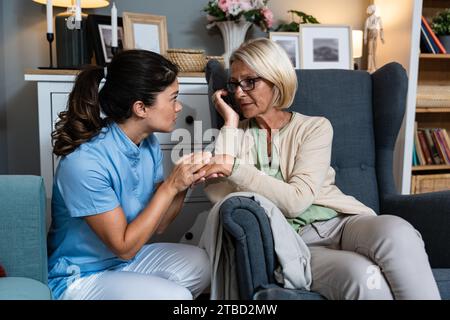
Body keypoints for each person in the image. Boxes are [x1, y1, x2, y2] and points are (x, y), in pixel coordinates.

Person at [202, 38, 441, 300]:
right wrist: (230, 123)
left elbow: (297, 199)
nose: (238, 92)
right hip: (297, 242)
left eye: (249, 82)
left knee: (397, 232)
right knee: (363, 277)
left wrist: (234, 167)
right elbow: (218, 194)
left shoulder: (314, 128)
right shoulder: (238, 135)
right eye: (234, 84)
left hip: (341, 223)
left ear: (276, 79)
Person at [47, 50, 211, 300]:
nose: (178, 107)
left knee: (202, 264)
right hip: (80, 276)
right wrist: (170, 186)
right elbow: (124, 247)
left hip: (124, 262)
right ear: (141, 108)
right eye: (173, 98)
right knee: (175, 297)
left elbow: (161, 223)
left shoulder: (148, 143)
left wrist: (184, 182)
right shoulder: (84, 163)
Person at [364, 4, 385, 73]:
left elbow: (381, 28)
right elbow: (365, 29)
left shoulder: (378, 18)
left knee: (373, 52)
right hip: (371, 34)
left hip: (375, 34)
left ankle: (375, 67)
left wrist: (382, 37)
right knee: (370, 52)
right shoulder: (368, 19)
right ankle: (369, 67)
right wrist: (365, 38)